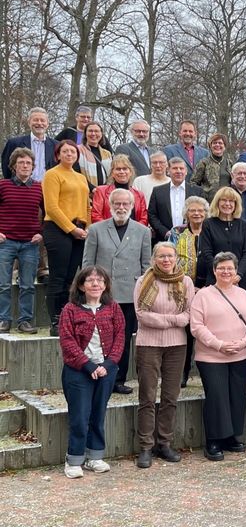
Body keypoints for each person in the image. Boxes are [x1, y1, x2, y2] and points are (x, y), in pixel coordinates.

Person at [82, 189, 151, 394]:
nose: (121, 208)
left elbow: (146, 266)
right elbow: (87, 264)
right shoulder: (96, 230)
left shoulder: (142, 231)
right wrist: (89, 290)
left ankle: (117, 379)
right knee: (100, 337)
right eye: (117, 204)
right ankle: (96, 375)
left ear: (132, 206)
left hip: (129, 294)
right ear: (110, 205)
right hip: (102, 294)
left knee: (124, 338)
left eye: (125, 204)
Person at [58, 265, 125, 478]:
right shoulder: (70, 309)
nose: (95, 284)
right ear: (81, 285)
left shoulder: (113, 308)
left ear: (105, 285)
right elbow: (68, 342)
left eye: (100, 281)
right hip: (78, 372)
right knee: (79, 416)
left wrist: (107, 365)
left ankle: (94, 457)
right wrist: (88, 366)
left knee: (98, 414)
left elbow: (120, 337)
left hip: (106, 371)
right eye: (90, 280)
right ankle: (74, 459)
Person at [133, 242, 195, 468]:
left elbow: (188, 314)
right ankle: (146, 446)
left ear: (176, 258)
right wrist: (172, 321)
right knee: (147, 396)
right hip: (148, 344)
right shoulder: (143, 281)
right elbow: (141, 314)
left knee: (170, 397)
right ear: (154, 259)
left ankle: (164, 443)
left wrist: (166, 320)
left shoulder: (185, 281)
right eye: (161, 256)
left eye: (170, 256)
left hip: (177, 345)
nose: (166, 260)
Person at [190, 251, 246, 461]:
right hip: (211, 356)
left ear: (236, 271)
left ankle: (231, 436)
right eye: (222, 268)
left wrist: (245, 341)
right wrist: (219, 345)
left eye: (230, 268)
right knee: (217, 397)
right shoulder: (203, 295)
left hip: (240, 353)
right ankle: (214, 440)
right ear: (214, 270)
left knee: (236, 396)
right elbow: (197, 326)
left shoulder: (243, 294)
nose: (226, 272)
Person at [43, 140, 90, 336]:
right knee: (58, 277)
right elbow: (51, 208)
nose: (69, 154)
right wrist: (71, 229)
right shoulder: (52, 174)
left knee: (72, 278)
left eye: (73, 151)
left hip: (79, 231)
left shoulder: (80, 177)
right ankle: (55, 321)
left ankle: (67, 316)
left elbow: (87, 205)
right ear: (58, 154)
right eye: (65, 151)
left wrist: (87, 226)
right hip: (59, 229)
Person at [0, 148, 44, 333]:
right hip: (6, 242)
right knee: (3, 284)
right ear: (13, 166)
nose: (25, 166)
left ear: (33, 167)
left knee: (28, 285)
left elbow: (49, 214)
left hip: (30, 243)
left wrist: (42, 233)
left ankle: (24, 321)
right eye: (21, 163)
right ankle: (4, 320)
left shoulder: (39, 188)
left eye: (28, 163)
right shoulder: (3, 185)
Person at [170, 195, 208, 387]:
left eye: (200, 210)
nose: (196, 213)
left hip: (208, 289)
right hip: (182, 289)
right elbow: (169, 257)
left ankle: (206, 372)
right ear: (186, 213)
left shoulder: (210, 231)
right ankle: (183, 373)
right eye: (192, 210)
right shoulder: (177, 232)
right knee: (184, 333)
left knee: (205, 330)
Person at [198, 187, 246, 294]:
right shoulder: (208, 224)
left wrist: (238, 275)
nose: (227, 204)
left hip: (241, 281)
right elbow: (206, 253)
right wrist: (220, 273)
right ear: (217, 202)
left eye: (231, 201)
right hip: (215, 279)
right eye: (223, 200)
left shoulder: (243, 224)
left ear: (236, 204)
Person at [147, 158, 202, 242]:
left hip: (191, 239)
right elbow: (152, 215)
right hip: (164, 240)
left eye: (181, 168)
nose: (178, 171)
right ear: (168, 171)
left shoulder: (197, 191)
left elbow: (202, 214)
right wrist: (165, 232)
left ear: (186, 171)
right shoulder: (157, 191)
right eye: (175, 168)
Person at [91, 154, 149, 226]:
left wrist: (134, 231)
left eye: (125, 169)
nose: (122, 172)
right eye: (118, 169)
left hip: (134, 235)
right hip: (107, 234)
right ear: (112, 173)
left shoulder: (139, 195)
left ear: (130, 172)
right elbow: (96, 216)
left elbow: (144, 219)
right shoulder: (101, 191)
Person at [2, 106, 56, 180]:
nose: (39, 123)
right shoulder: (14, 143)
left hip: (47, 188)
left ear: (47, 124)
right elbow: (6, 167)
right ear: (29, 122)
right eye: (36, 120)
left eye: (42, 120)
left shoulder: (56, 145)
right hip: (20, 188)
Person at [190, 133, 233, 202]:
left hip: (226, 201)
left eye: (220, 143)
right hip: (209, 202)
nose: (217, 145)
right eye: (214, 143)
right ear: (210, 146)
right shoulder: (204, 163)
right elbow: (193, 183)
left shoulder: (229, 163)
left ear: (224, 146)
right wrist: (202, 196)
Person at [75, 122, 113, 187]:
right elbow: (76, 173)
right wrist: (92, 188)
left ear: (101, 134)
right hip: (84, 191)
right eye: (90, 131)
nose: (93, 134)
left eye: (96, 131)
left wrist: (103, 190)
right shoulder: (77, 150)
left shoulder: (107, 154)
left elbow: (111, 175)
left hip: (104, 193)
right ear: (85, 134)